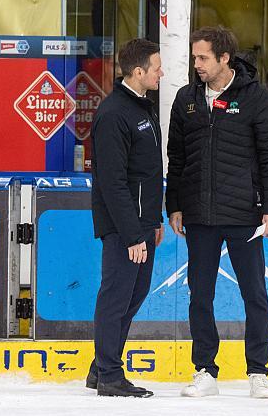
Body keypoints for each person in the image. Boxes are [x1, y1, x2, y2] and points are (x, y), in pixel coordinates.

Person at [166, 26, 268, 399]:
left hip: (245, 215)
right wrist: (176, 205)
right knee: (199, 293)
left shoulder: (257, 100)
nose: (196, 64)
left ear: (224, 59)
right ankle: (204, 370)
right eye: (195, 57)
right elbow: (177, 158)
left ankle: (258, 370)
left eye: (202, 58)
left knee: (254, 293)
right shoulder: (186, 99)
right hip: (199, 215)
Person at [88, 38, 165, 398]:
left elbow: (147, 173)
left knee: (134, 295)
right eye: (157, 67)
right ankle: (109, 374)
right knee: (117, 296)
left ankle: (100, 366)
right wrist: (133, 234)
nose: (161, 72)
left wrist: (154, 221)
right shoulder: (114, 114)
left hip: (142, 224)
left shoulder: (143, 108)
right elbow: (113, 183)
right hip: (124, 228)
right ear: (138, 72)